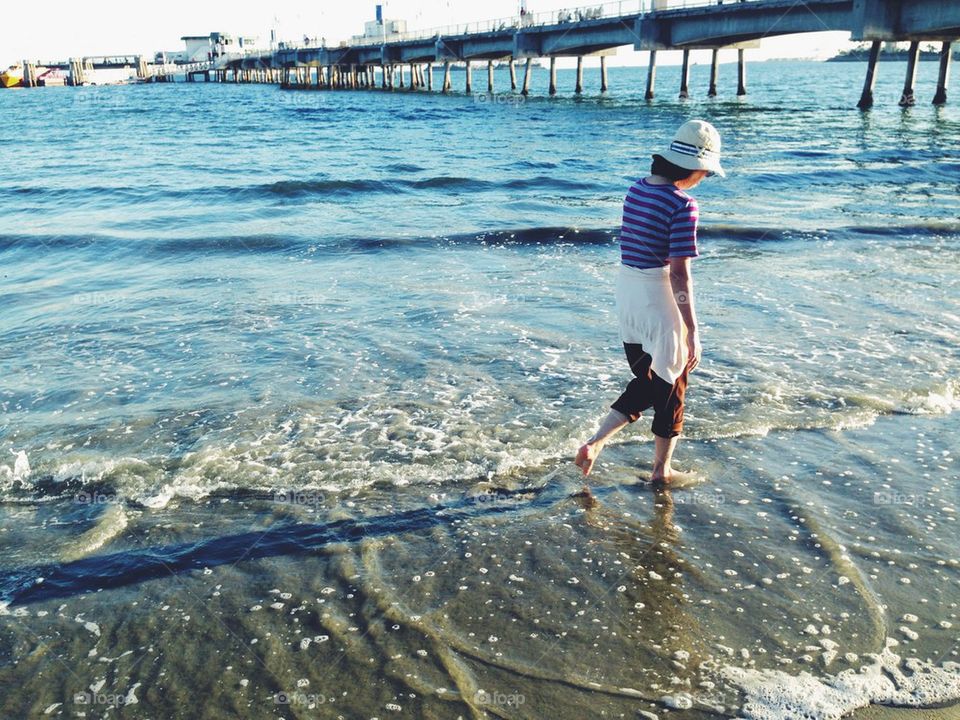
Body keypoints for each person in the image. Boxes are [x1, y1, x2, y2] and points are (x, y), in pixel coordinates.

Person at [575, 120, 725, 485]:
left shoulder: (636, 190)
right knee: (673, 385)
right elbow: (679, 274)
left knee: (650, 378)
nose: (703, 179)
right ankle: (661, 470)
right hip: (658, 298)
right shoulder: (683, 204)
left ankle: (595, 444)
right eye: (705, 173)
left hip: (627, 293)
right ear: (694, 168)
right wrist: (692, 329)